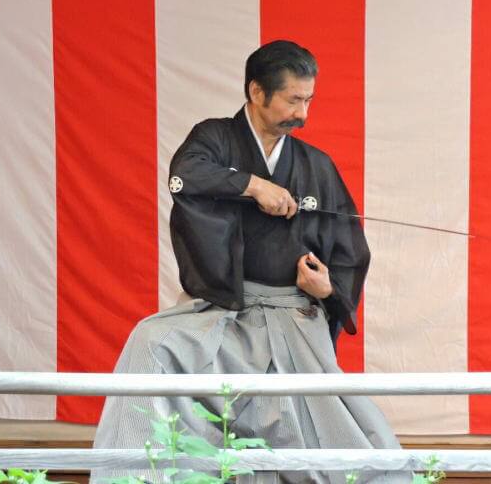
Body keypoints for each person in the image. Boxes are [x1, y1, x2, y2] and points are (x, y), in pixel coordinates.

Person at [93, 40, 408, 483]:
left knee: (339, 442)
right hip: (225, 311)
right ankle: (134, 476)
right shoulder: (215, 138)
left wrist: (328, 289)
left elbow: (349, 252)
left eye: (308, 100)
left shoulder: (316, 165)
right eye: (293, 99)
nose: (303, 113)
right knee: (152, 341)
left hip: (293, 314)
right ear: (257, 92)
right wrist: (253, 185)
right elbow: (185, 176)